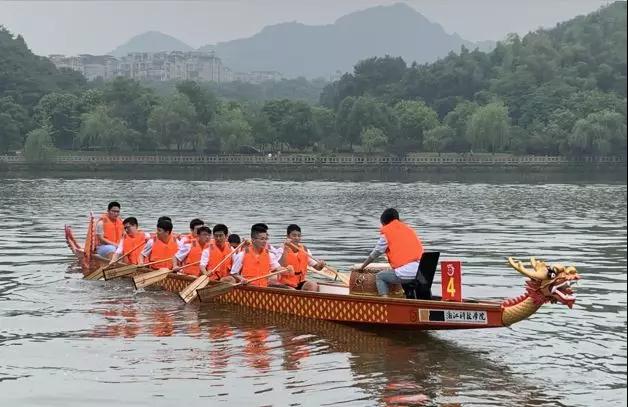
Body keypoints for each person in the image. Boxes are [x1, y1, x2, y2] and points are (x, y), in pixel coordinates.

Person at [357, 208, 424, 297]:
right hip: (422, 271)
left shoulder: (387, 232)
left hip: (408, 272)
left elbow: (376, 253)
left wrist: (362, 266)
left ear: (384, 222)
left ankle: (385, 301)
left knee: (380, 277)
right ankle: (410, 297)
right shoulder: (408, 229)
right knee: (400, 277)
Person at [273, 224, 325, 291]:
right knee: (292, 290)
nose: (297, 238)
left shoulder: (305, 250)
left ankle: (306, 297)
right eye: (294, 235)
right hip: (284, 284)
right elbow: (281, 266)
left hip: (299, 282)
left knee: (312, 285)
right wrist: (285, 248)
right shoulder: (281, 250)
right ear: (288, 236)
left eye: (299, 236)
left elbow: (317, 268)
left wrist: (321, 265)